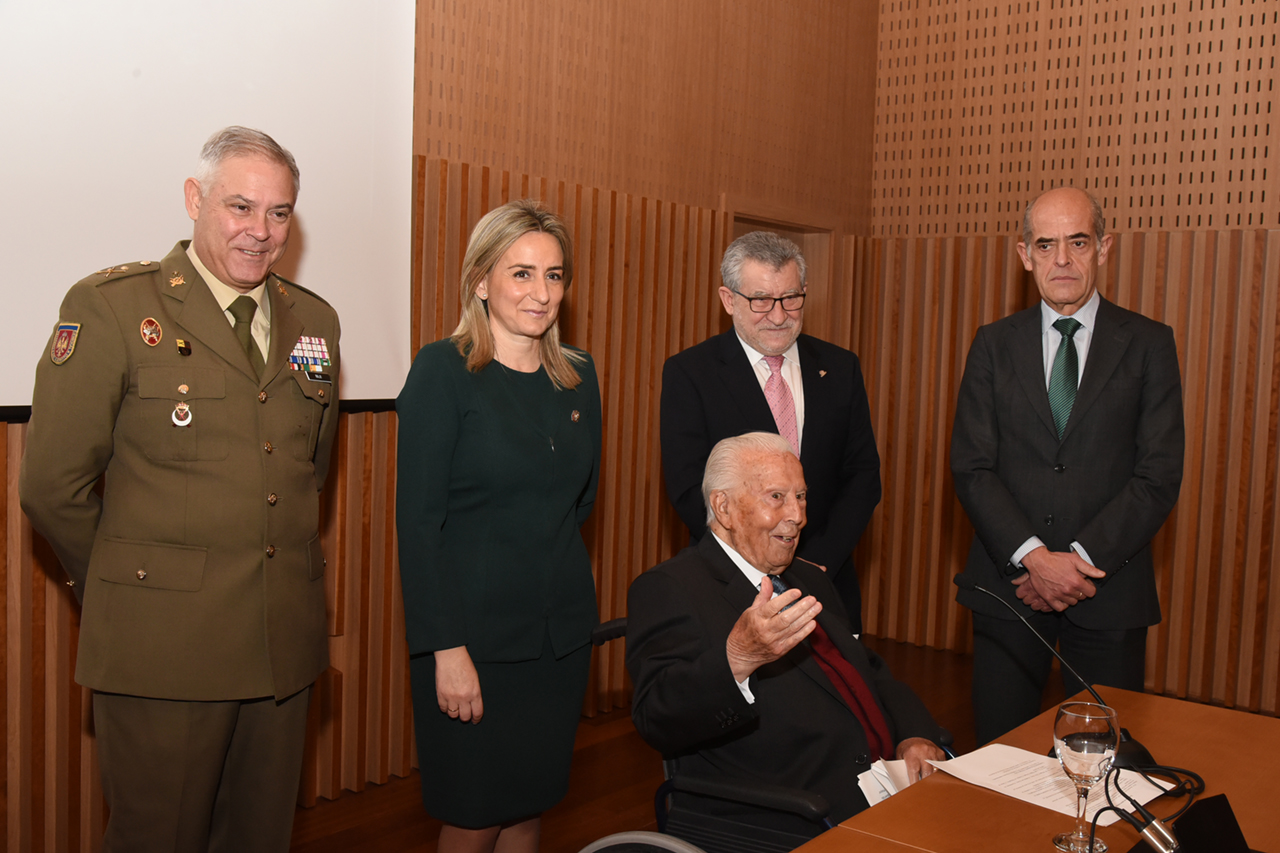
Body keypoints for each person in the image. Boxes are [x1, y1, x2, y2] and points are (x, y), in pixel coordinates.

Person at [19, 126, 340, 852]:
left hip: (280, 642)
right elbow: (51, 485)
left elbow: (305, 471)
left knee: (260, 838)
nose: (261, 231)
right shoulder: (113, 308)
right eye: (240, 206)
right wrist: (123, 584)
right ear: (194, 199)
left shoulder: (315, 322)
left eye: (280, 213)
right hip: (164, 649)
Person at [396, 200, 602, 853]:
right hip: (472, 644)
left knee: (529, 805)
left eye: (554, 274)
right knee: (475, 811)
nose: (541, 293)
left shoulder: (579, 376)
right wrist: (445, 648)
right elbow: (418, 525)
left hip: (558, 642)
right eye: (521, 274)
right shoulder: (442, 371)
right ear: (480, 280)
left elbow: (581, 502)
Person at [951, 186, 1185, 745]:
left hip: (1107, 592)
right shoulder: (991, 345)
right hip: (1009, 591)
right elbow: (971, 466)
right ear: (1024, 253)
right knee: (999, 762)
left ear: (1103, 248)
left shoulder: (1150, 343)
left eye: (1077, 242)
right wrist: (1033, 558)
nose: (1062, 260)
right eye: (1046, 244)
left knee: (1105, 765)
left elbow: (1158, 474)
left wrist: (1073, 565)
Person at [627, 432, 944, 837]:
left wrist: (914, 734)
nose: (797, 515)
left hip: (891, 789)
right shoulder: (671, 587)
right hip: (794, 815)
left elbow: (871, 671)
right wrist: (738, 658)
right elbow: (657, 717)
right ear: (724, 507)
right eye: (777, 497)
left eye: (802, 496)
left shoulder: (807, 576)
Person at [660, 231, 880, 631]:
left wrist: (817, 563)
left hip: (827, 584)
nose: (778, 316)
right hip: (732, 589)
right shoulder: (691, 374)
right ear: (729, 300)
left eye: (791, 298)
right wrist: (757, 560)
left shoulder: (840, 368)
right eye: (760, 300)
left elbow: (863, 476)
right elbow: (690, 489)